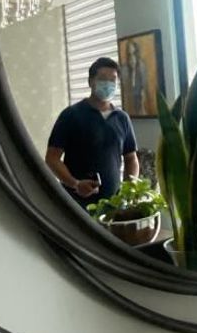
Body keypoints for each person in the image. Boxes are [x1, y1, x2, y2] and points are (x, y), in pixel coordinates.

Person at [45, 57, 139, 207]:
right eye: (102, 79)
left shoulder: (122, 118)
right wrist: (75, 184)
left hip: (114, 205)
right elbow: (52, 158)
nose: (108, 84)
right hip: (76, 203)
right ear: (90, 82)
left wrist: (129, 191)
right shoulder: (71, 115)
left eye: (113, 80)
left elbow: (131, 158)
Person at [120, 39, 148, 116]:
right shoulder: (124, 69)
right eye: (129, 55)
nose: (132, 58)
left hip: (140, 101)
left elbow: (144, 87)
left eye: (134, 54)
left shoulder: (141, 66)